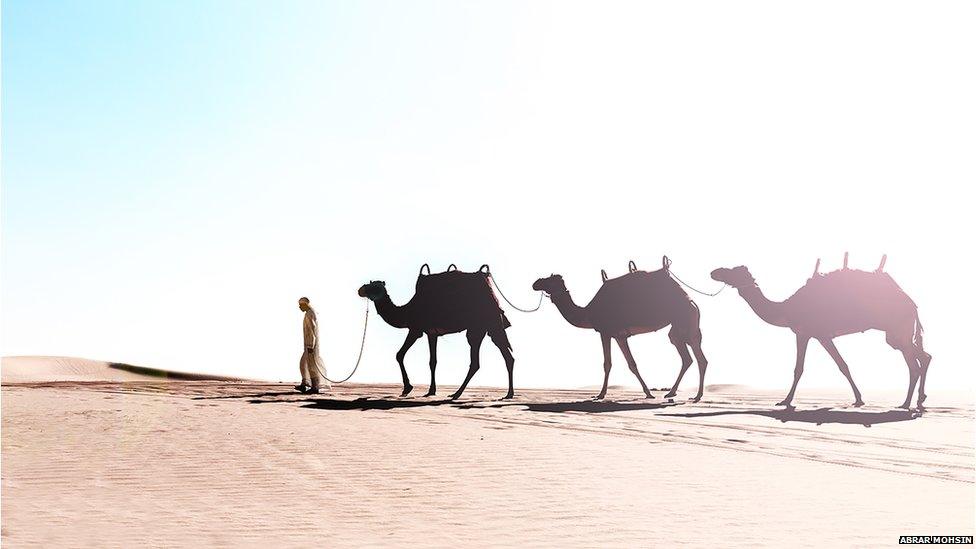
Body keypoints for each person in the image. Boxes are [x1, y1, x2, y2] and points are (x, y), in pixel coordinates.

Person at [296, 297, 330, 394]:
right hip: (308, 344)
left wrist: (311, 345)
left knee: (312, 365)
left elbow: (312, 330)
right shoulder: (309, 313)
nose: (299, 307)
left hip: (310, 344)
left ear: (305, 305)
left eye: (301, 305)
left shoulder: (310, 314)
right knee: (303, 363)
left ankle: (315, 387)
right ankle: (305, 384)